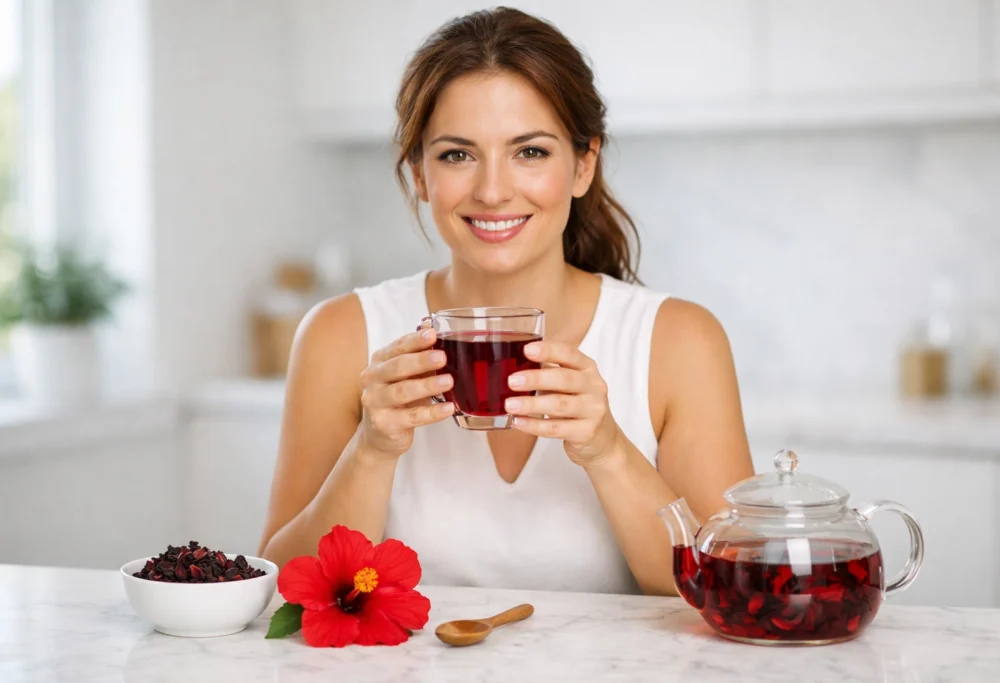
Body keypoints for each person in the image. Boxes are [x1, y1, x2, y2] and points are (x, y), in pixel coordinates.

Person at [257, 7, 753, 596]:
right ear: (419, 173)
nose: (492, 191)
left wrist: (607, 450)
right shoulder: (340, 335)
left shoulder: (679, 341)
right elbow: (285, 590)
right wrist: (371, 450)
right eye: (457, 155)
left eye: (531, 152)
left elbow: (730, 590)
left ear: (583, 164)